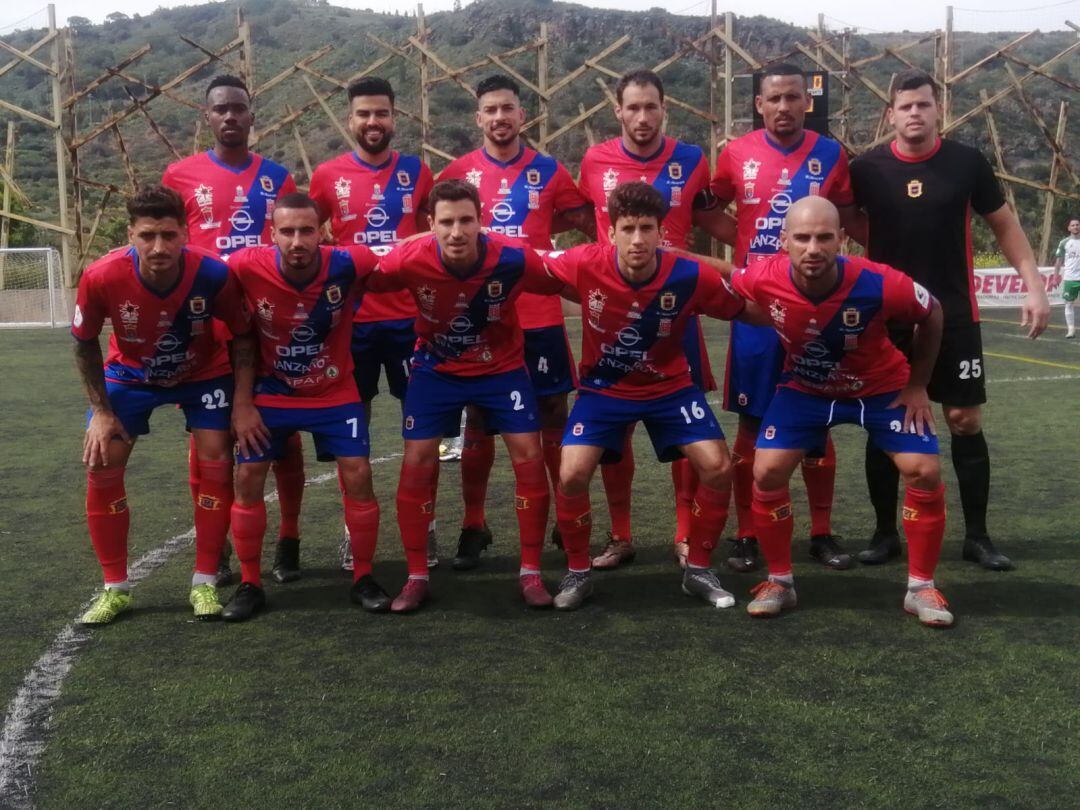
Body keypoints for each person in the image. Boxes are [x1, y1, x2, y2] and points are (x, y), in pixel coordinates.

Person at [848, 68, 1050, 571]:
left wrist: (1035, 286)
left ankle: (978, 537)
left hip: (955, 314)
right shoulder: (867, 169)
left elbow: (1004, 224)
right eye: (905, 106)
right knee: (885, 421)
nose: (914, 113)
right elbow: (843, 220)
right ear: (890, 114)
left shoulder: (966, 163)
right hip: (888, 317)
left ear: (937, 110)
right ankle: (883, 533)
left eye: (923, 104)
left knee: (963, 418)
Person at [724, 197, 953, 628]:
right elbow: (722, 281)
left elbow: (933, 311)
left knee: (923, 470)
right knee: (766, 470)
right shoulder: (763, 276)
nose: (814, 248)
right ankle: (780, 582)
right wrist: (669, 259)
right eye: (803, 238)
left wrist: (918, 384)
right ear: (784, 242)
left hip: (882, 389)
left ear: (842, 240)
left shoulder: (879, 281)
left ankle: (921, 588)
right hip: (805, 390)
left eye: (825, 237)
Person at [542, 182, 757, 610]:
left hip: (670, 388)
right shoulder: (583, 262)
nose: (637, 239)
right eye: (628, 229)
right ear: (611, 231)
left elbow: (745, 308)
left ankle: (698, 568)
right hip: (604, 389)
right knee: (570, 474)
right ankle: (578, 571)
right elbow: (520, 265)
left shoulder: (689, 275)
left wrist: (801, 317)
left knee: (717, 467)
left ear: (662, 232)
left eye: (646, 228)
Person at [369, 179, 571, 613]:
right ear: (430, 225)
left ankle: (531, 573)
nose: (456, 232)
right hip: (435, 370)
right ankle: (417, 576)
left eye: (466, 220)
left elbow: (565, 280)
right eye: (446, 222)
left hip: (500, 369)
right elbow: (359, 278)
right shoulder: (408, 257)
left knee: (528, 455)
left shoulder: (513, 258)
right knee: (417, 458)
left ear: (481, 220)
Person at [576, 69, 732, 569]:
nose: (642, 117)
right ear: (617, 111)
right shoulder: (594, 161)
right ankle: (620, 535)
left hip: (675, 310)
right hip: (613, 317)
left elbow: (711, 219)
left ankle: (685, 534)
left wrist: (758, 254)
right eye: (633, 108)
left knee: (687, 435)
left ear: (665, 108)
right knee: (613, 433)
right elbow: (582, 220)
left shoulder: (691, 160)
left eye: (652, 107)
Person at [72, 185, 249, 625]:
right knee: (100, 462)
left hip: (203, 374)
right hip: (130, 375)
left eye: (168, 235)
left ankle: (205, 581)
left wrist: (242, 400)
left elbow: (244, 334)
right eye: (147, 235)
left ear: (185, 233)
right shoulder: (102, 275)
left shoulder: (212, 273)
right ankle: (115, 588)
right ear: (130, 234)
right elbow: (83, 343)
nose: (158, 247)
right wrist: (102, 412)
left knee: (216, 461)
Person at [439, 73, 591, 570]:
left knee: (552, 415)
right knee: (479, 418)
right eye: (491, 110)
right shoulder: (460, 173)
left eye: (509, 108)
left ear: (523, 116)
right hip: (481, 319)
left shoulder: (549, 170)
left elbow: (578, 219)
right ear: (478, 119)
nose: (500, 117)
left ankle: (563, 517)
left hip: (539, 317)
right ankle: (474, 524)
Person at [710, 62, 858, 573]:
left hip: (819, 305)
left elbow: (849, 217)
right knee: (752, 420)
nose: (783, 107)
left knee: (818, 418)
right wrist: (747, 248)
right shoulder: (735, 154)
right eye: (773, 99)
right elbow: (708, 210)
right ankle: (747, 532)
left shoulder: (831, 154)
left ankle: (821, 531)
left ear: (805, 102)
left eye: (793, 97)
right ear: (759, 104)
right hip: (759, 305)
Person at [162, 74, 305, 587]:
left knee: (281, 436)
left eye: (238, 109)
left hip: (269, 325)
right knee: (207, 439)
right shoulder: (179, 176)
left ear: (251, 115)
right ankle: (216, 544)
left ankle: (289, 540)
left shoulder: (278, 178)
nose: (229, 116)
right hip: (208, 327)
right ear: (207, 116)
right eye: (220, 108)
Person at [225, 193, 390, 621]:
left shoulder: (348, 263)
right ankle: (249, 582)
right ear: (272, 235)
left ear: (322, 233)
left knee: (359, 473)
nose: (297, 240)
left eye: (306, 231)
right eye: (287, 231)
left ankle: (364, 576)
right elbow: (198, 273)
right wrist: (242, 403)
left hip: (334, 393)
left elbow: (410, 251)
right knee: (247, 476)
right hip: (272, 393)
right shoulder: (245, 265)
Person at [307, 76, 438, 571]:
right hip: (351, 324)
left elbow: (437, 234)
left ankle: (425, 528)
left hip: (411, 321)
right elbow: (299, 235)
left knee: (422, 433)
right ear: (350, 120)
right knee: (351, 434)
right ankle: (351, 531)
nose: (373, 122)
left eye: (381, 113)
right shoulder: (327, 176)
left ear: (394, 117)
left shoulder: (417, 172)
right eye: (363, 114)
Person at [1054, 217, 1080, 338]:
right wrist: (1055, 277)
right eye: (1073, 225)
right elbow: (1058, 262)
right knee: (1069, 304)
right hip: (1070, 278)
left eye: (1077, 225)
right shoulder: (1064, 243)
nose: (1075, 227)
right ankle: (1071, 330)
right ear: (1069, 228)